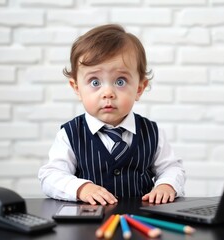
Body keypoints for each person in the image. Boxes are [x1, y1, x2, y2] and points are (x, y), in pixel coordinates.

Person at [38, 24, 185, 205]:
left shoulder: (152, 132)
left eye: (120, 81)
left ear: (139, 88)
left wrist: (167, 185)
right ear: (77, 88)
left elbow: (172, 168)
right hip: (89, 225)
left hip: (140, 221)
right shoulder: (70, 134)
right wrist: (81, 188)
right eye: (94, 82)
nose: (108, 93)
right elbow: (51, 175)